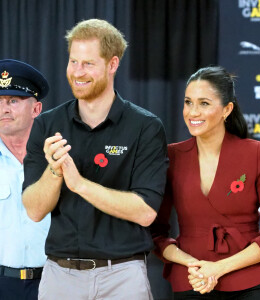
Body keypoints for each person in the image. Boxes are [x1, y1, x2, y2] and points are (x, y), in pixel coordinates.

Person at [22, 19, 168, 300]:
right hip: (59, 275)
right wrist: (54, 172)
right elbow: (34, 210)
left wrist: (79, 184)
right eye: (73, 61)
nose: (77, 72)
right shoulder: (46, 124)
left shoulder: (145, 127)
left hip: (122, 275)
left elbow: (146, 211)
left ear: (112, 64)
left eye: (88, 63)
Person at [151, 66, 260, 299]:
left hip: (252, 282)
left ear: (227, 109)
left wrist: (218, 268)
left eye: (204, 103)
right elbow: (155, 233)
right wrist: (191, 264)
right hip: (192, 280)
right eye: (188, 102)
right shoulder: (171, 156)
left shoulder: (257, 153)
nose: (192, 112)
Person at [0, 59, 50, 300]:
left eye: (13, 101)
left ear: (36, 109)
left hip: (55, 281)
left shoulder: (58, 156)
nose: (4, 109)